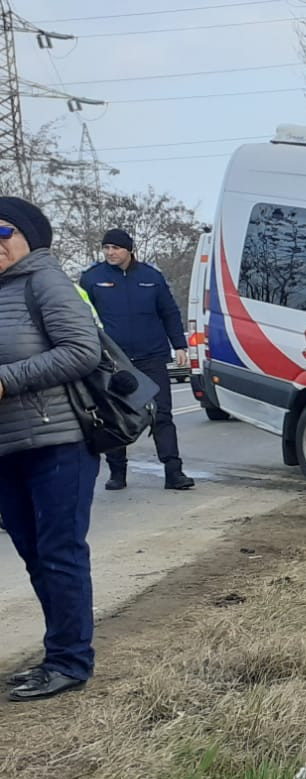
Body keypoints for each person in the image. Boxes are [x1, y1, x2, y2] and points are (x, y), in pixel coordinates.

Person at [0, 196, 104, 702]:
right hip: (7, 447)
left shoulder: (46, 281)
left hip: (59, 441)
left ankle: (70, 662)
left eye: (3, 231)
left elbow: (83, 351)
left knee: (60, 552)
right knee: (34, 554)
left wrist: (7, 380)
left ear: (29, 237)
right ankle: (58, 654)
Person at [79, 229, 191, 491]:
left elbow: (169, 312)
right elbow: (81, 317)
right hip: (113, 360)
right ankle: (117, 473)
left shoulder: (151, 277)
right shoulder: (92, 278)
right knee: (114, 416)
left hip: (151, 356)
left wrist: (180, 345)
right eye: (106, 248)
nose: (110, 253)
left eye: (116, 248)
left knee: (161, 413)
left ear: (129, 250)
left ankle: (173, 472)